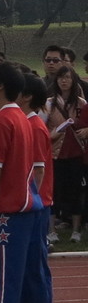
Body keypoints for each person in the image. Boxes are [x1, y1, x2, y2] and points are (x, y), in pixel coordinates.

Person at [46, 66, 87, 245]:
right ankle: (51, 230)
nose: (64, 81)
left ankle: (76, 230)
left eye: (68, 78)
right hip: (55, 153)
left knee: (75, 191)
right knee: (53, 192)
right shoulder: (49, 103)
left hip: (76, 152)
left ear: (73, 80)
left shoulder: (81, 103)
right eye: (61, 78)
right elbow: (41, 128)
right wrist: (51, 134)